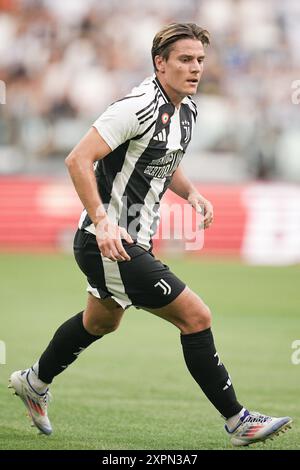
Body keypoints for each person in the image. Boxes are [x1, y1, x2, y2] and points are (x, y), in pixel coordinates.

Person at [9, 23, 292, 447]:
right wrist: (104, 221)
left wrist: (192, 193)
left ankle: (34, 381)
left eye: (199, 60)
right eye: (184, 60)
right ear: (160, 64)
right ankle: (238, 420)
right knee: (196, 317)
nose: (195, 68)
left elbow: (164, 159)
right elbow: (77, 159)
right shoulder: (136, 105)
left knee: (100, 321)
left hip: (131, 241)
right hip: (109, 243)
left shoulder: (188, 108)